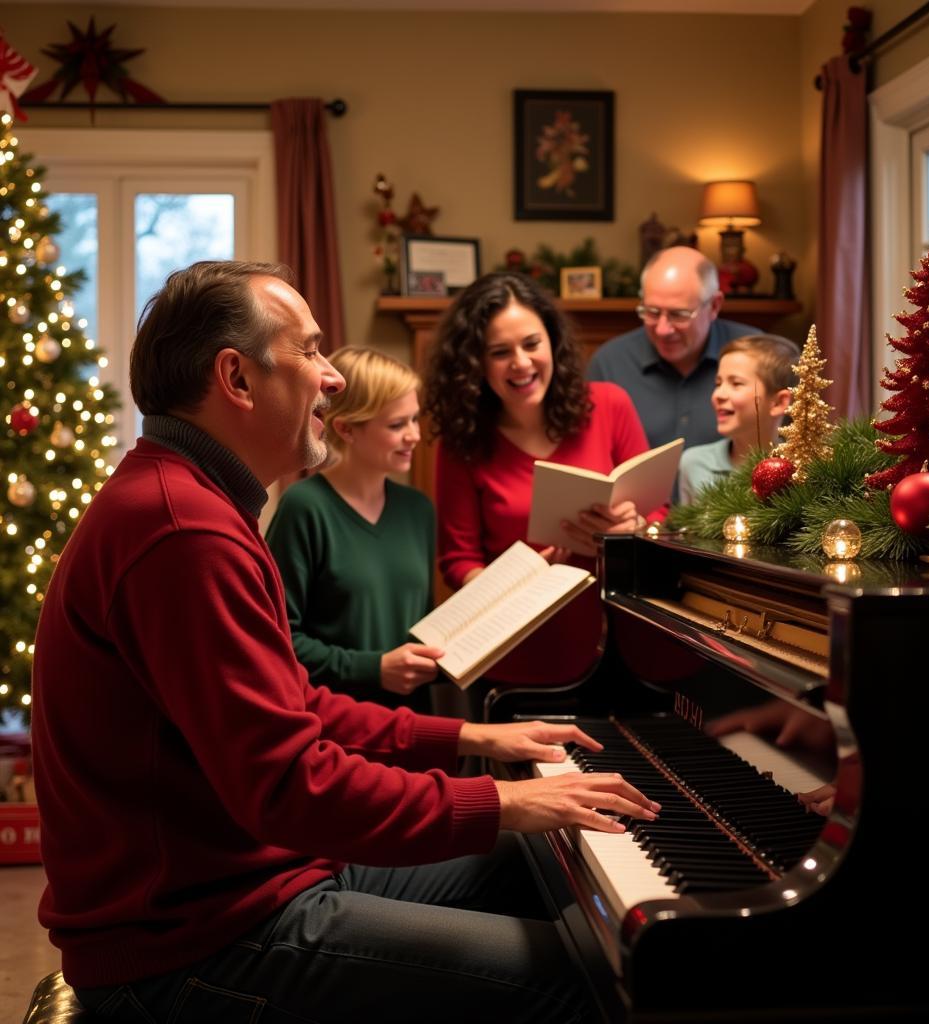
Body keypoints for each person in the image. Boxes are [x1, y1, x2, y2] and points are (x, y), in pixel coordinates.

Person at [30, 261, 661, 1024]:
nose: (333, 378)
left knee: (534, 865)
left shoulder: (199, 502)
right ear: (236, 377)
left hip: (261, 879)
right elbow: (289, 787)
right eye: (311, 352)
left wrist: (469, 734)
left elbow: (295, 703)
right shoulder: (180, 529)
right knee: (599, 978)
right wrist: (505, 797)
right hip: (196, 944)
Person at [424, 271, 659, 690]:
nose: (521, 362)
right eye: (499, 352)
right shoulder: (462, 443)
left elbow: (658, 510)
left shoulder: (610, 405)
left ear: (553, 342)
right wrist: (520, 581)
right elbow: (458, 561)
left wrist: (637, 528)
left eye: (532, 344)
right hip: (512, 657)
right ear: (475, 363)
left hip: (619, 648)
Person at [266, 347, 441, 713]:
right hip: (334, 723)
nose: (414, 436)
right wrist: (373, 668)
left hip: (413, 724)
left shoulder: (418, 511)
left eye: (415, 419)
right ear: (345, 428)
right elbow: (277, 638)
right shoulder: (305, 508)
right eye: (397, 425)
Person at [586, 245, 756, 451]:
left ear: (714, 306)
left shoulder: (758, 357)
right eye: (652, 312)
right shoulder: (609, 364)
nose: (663, 329)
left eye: (679, 315)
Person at [677, 333, 799, 504]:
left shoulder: (800, 470)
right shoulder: (695, 463)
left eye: (736, 383)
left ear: (778, 402)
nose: (718, 394)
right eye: (718, 383)